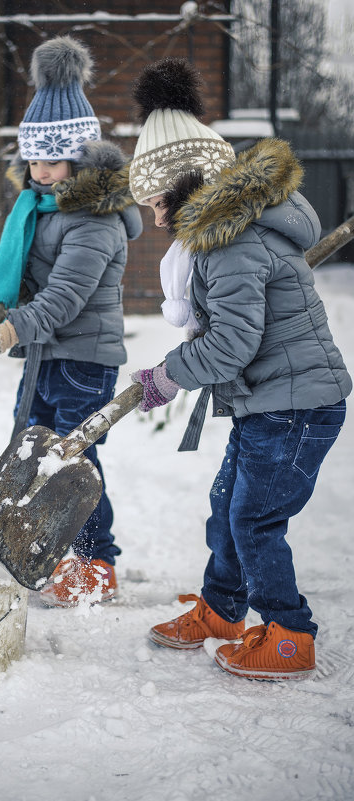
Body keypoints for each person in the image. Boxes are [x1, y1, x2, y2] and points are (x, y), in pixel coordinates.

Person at [128, 57, 352, 680]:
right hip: (273, 402)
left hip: (297, 407)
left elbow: (230, 343)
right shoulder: (226, 233)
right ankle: (224, 610)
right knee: (229, 502)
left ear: (181, 186)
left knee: (253, 518)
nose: (151, 216)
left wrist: (167, 376)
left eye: (153, 201)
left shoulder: (229, 241)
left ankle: (288, 633)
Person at [0, 36, 143, 607]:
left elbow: (64, 297)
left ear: (82, 158)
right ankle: (45, 547)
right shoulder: (40, 208)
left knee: (72, 461)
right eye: (32, 158)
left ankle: (96, 564)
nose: (39, 171)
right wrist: (2, 309)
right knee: (31, 449)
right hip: (48, 353)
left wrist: (9, 331)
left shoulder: (94, 218)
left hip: (84, 359)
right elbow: (31, 278)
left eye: (52, 158)